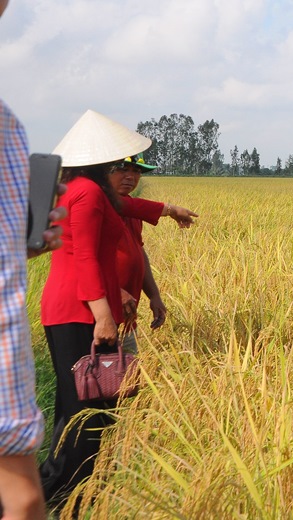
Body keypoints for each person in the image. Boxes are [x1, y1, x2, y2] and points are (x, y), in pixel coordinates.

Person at [37, 109, 193, 511]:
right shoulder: (87, 193)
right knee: (87, 408)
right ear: (100, 162)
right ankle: (70, 494)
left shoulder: (83, 189)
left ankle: (60, 484)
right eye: (116, 164)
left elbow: (129, 208)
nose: (124, 172)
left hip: (71, 307)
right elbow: (85, 256)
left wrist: (169, 209)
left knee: (81, 402)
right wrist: (103, 315)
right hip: (79, 309)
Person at [0, 96, 66, 520]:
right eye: (124, 167)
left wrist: (17, 247)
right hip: (72, 309)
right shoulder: (5, 126)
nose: (131, 175)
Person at [111, 154, 197, 352]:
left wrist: (154, 295)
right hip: (98, 316)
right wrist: (115, 291)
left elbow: (138, 253)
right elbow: (87, 259)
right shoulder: (98, 206)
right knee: (97, 377)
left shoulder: (133, 210)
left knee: (129, 377)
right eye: (123, 169)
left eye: (136, 171)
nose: (130, 177)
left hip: (125, 317)